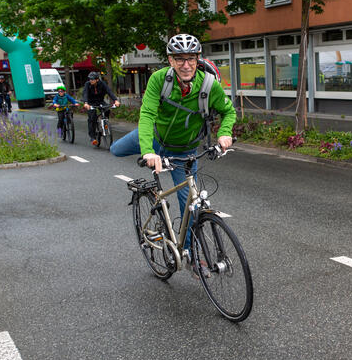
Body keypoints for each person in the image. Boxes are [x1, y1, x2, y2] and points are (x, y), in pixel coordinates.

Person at [110, 33, 236, 256]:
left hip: (184, 152)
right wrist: (147, 150)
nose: (186, 65)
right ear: (170, 60)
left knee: (190, 205)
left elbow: (228, 111)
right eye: (180, 59)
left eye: (191, 59)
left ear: (197, 59)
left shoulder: (208, 85)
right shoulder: (159, 79)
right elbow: (147, 114)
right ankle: (145, 190)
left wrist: (225, 134)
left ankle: (188, 254)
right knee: (116, 149)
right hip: (156, 141)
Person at [82, 71, 120, 145]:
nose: (91, 80)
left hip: (100, 101)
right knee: (92, 117)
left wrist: (115, 100)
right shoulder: (87, 84)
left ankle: (105, 122)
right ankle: (92, 137)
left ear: (97, 80)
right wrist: (86, 103)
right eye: (90, 79)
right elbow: (85, 93)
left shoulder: (102, 84)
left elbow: (109, 92)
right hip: (90, 102)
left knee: (107, 110)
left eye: (92, 79)